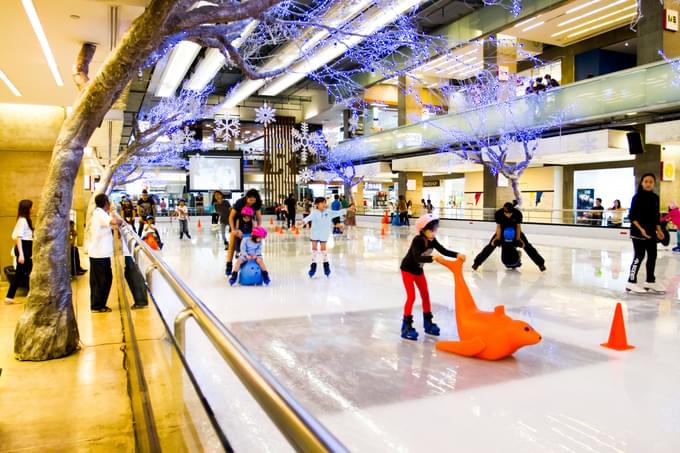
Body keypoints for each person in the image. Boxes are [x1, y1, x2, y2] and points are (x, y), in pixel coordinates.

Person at [399, 213, 463, 341]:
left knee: (425, 295)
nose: (434, 232)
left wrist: (458, 254)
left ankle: (428, 323)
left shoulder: (432, 240)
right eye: (432, 230)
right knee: (411, 296)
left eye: (435, 229)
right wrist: (432, 258)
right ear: (423, 230)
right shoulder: (418, 240)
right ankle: (406, 326)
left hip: (418, 271)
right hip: (407, 270)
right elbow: (417, 257)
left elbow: (443, 251)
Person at [472, 202, 546, 271]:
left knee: (527, 246)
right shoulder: (499, 213)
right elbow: (498, 227)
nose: (507, 215)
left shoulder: (517, 214)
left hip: (515, 231)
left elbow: (518, 227)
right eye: (506, 213)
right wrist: (497, 239)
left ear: (512, 211)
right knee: (490, 246)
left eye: (509, 214)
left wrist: (518, 239)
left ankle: (540, 264)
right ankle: (477, 263)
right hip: (502, 232)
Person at [626, 173, 665, 294]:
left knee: (652, 256)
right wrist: (641, 229)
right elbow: (632, 216)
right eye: (646, 181)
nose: (648, 184)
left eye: (651, 182)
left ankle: (650, 281)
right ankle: (631, 282)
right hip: (638, 232)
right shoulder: (637, 197)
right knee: (639, 256)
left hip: (651, 232)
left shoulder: (655, 198)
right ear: (642, 183)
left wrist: (659, 230)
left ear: (654, 183)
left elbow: (655, 217)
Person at [88, 193, 122, 313]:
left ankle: (99, 304)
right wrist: (114, 212)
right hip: (99, 254)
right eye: (109, 202)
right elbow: (116, 222)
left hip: (101, 253)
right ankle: (97, 306)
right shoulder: (100, 213)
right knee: (101, 280)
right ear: (106, 203)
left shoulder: (100, 213)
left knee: (104, 279)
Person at [300, 197, 346, 277]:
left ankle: (326, 266)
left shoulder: (328, 212)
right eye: (322, 203)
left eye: (325, 202)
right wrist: (301, 222)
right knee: (314, 251)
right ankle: (313, 267)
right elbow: (307, 219)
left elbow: (338, 212)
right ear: (317, 204)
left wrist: (348, 209)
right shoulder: (314, 213)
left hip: (324, 234)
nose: (324, 204)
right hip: (315, 234)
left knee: (323, 250)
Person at [226, 189, 263, 275]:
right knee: (231, 244)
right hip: (237, 223)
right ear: (246, 197)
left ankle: (249, 261)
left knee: (251, 244)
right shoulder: (240, 202)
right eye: (250, 200)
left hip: (249, 226)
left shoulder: (256, 204)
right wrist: (234, 230)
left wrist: (257, 230)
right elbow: (231, 217)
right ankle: (229, 265)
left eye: (254, 200)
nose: (252, 202)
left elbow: (259, 218)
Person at [5, 200, 34, 304]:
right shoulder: (22, 221)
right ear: (27, 208)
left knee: (27, 272)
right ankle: (10, 297)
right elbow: (19, 237)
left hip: (27, 247)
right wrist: (21, 254)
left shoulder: (25, 219)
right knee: (22, 273)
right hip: (23, 248)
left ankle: (10, 297)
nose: (32, 209)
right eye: (31, 207)